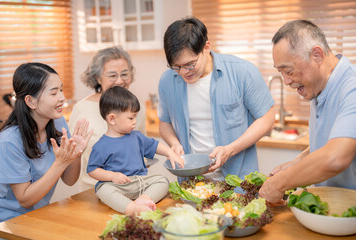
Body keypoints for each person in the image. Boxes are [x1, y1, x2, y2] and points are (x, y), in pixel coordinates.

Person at [158, 17, 275, 182]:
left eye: (190, 64)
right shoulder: (167, 81)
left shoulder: (242, 72)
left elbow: (268, 119)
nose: (184, 72)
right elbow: (164, 123)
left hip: (238, 182)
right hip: (192, 183)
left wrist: (230, 149)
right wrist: (173, 143)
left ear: (206, 47)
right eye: (176, 66)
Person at [259, 20, 356, 205]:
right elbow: (328, 142)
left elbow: (336, 156)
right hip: (331, 211)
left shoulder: (351, 88)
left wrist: (279, 184)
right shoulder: (318, 86)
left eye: (289, 71)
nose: (286, 81)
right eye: (281, 73)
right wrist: (296, 163)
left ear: (317, 55)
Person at [0, 63, 92, 223]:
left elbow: (69, 180)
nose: (62, 97)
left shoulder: (58, 122)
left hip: (38, 215)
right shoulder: (9, 141)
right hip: (6, 223)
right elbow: (25, 199)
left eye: (61, 90)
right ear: (31, 101)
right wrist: (60, 163)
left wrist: (76, 154)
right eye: (53, 93)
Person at [87, 86, 184, 215]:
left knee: (163, 180)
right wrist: (112, 176)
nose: (135, 121)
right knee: (103, 190)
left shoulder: (137, 136)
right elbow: (92, 170)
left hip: (139, 182)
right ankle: (131, 208)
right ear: (112, 119)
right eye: (131, 118)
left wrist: (170, 153)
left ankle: (144, 199)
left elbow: (155, 146)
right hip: (116, 186)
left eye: (135, 117)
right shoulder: (101, 145)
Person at [68, 46, 146, 188]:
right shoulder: (82, 109)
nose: (119, 81)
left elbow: (143, 151)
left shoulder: (138, 108)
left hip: (131, 189)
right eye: (112, 75)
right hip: (91, 191)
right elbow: (71, 157)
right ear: (98, 78)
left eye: (124, 74)